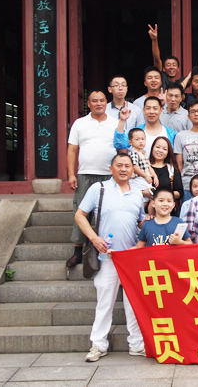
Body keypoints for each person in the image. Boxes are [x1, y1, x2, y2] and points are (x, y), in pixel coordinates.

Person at [75, 154, 146, 362]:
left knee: (133, 303)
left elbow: (140, 222)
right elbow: (80, 215)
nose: (123, 169)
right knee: (105, 302)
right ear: (111, 168)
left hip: (130, 257)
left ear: (133, 170)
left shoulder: (137, 194)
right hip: (106, 256)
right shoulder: (99, 189)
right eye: (119, 165)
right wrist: (94, 238)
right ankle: (98, 344)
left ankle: (136, 344)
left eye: (127, 166)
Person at [66, 90, 119, 268]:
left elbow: (122, 148)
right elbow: (72, 150)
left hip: (110, 175)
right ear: (88, 104)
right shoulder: (79, 123)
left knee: (109, 212)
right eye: (94, 101)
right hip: (85, 174)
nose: (98, 104)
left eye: (102, 100)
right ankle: (77, 251)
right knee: (82, 210)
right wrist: (71, 174)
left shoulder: (115, 122)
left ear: (106, 102)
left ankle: (109, 248)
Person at [148, 136, 183, 214]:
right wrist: (144, 193)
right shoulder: (144, 167)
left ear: (168, 152)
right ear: (152, 148)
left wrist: (163, 197)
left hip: (167, 211)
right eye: (158, 147)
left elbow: (180, 192)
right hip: (145, 212)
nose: (160, 150)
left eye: (164, 149)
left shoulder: (172, 169)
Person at [149, 23, 183, 89]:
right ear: (163, 69)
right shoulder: (161, 79)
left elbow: (197, 72)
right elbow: (157, 60)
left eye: (174, 65)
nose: (171, 67)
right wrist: (154, 39)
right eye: (168, 65)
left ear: (178, 69)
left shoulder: (181, 82)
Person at [127, 128, 156, 196]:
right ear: (130, 142)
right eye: (137, 139)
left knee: (149, 195)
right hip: (138, 178)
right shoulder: (134, 153)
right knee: (142, 196)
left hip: (145, 178)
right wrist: (146, 176)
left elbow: (149, 166)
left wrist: (155, 176)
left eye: (143, 139)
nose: (141, 141)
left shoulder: (143, 153)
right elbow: (134, 167)